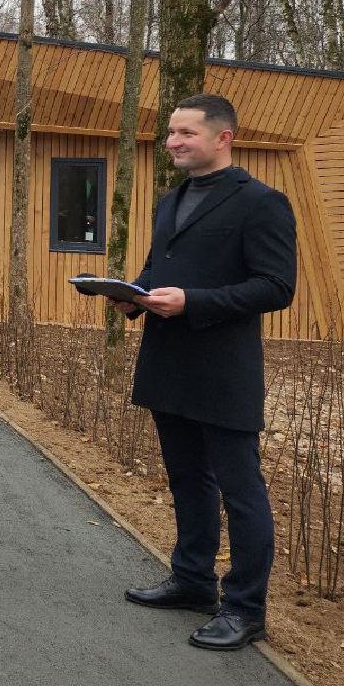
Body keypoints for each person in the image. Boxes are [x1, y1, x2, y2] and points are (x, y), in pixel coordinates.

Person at [115, 93, 296, 651]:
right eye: (170, 133)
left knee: (240, 491)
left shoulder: (262, 202)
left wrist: (193, 302)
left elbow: (275, 287)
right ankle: (193, 581)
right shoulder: (170, 202)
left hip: (224, 371)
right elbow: (158, 268)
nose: (172, 142)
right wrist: (132, 295)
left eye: (185, 134)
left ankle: (245, 608)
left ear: (223, 137)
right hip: (169, 363)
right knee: (186, 479)